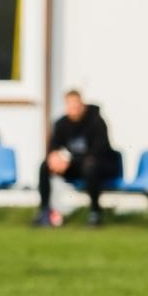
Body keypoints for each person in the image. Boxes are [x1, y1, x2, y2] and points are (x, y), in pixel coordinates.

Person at [33, 90, 120, 228]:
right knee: (45, 166)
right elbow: (53, 148)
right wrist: (56, 158)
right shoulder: (61, 124)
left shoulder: (96, 121)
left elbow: (98, 151)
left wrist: (69, 160)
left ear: (82, 104)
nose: (74, 108)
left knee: (90, 166)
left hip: (100, 166)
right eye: (70, 105)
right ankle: (44, 211)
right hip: (74, 166)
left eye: (76, 105)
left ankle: (95, 213)